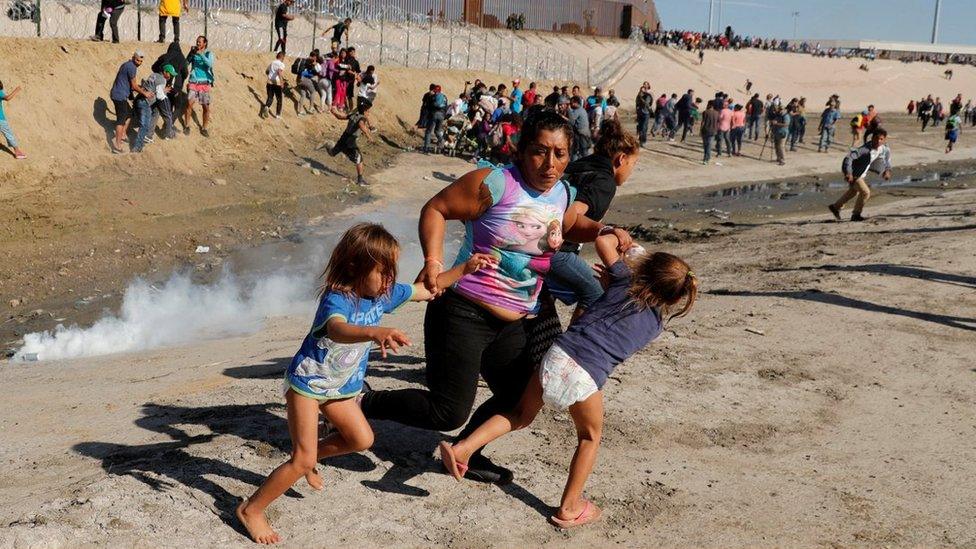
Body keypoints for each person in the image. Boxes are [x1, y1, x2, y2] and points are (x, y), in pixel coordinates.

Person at [359, 111, 632, 486]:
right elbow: (436, 209)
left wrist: (604, 228)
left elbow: (567, 226)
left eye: (560, 153)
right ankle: (364, 402)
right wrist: (433, 262)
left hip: (516, 318)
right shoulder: (496, 183)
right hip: (462, 310)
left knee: (521, 398)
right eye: (539, 151)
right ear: (521, 150)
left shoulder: (562, 192)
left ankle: (468, 451)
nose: (550, 163)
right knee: (446, 411)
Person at [236, 222, 496, 545]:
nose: (389, 281)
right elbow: (336, 330)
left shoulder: (383, 295)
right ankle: (252, 508)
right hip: (308, 385)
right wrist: (375, 333)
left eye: (392, 273)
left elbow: (427, 289)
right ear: (354, 267)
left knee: (361, 439)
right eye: (382, 272)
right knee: (301, 458)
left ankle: (311, 458)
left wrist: (465, 269)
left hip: (340, 388)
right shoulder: (339, 299)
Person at [440, 237, 697, 528]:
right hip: (586, 375)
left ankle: (463, 449)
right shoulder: (655, 325)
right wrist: (618, 280)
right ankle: (570, 506)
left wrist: (628, 246)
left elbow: (603, 241)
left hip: (558, 354)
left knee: (520, 415)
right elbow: (619, 323)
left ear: (645, 268)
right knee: (589, 437)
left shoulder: (623, 280)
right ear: (676, 299)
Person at [547, 118, 640, 319]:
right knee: (596, 292)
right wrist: (605, 229)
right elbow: (572, 214)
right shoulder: (605, 182)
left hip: (534, 238)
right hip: (556, 249)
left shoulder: (581, 165)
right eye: (633, 165)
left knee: (544, 303)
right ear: (621, 159)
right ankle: (574, 347)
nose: (630, 171)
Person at [828, 129, 892, 222]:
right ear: (872, 138)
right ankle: (856, 215)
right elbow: (848, 158)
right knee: (865, 192)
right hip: (854, 173)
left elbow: (887, 160)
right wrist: (848, 173)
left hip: (861, 174)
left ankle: (835, 207)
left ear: (884, 140)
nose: (878, 141)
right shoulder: (865, 149)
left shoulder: (884, 149)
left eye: (881, 139)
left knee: (853, 192)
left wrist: (887, 170)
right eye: (877, 138)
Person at [110, 51, 152, 153]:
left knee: (129, 114)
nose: (139, 62)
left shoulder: (127, 65)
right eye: (138, 60)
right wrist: (145, 93)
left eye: (141, 61)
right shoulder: (132, 67)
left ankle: (123, 134)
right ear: (133, 57)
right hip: (119, 96)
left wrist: (133, 94)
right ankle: (117, 146)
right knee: (120, 120)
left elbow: (128, 83)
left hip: (119, 94)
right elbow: (133, 86)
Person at [327, 99, 373, 186]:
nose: (369, 112)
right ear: (365, 110)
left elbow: (340, 117)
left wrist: (334, 112)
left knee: (332, 153)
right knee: (359, 158)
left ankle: (327, 145)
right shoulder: (362, 118)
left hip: (343, 138)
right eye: (368, 110)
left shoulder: (353, 114)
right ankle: (360, 180)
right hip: (349, 142)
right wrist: (368, 136)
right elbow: (361, 125)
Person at [132, 65, 174, 152]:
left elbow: (153, 87)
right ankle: (137, 147)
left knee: (155, 111)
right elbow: (159, 96)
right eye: (170, 74)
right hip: (145, 102)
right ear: (165, 72)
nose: (170, 76)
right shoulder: (162, 80)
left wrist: (163, 91)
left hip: (139, 98)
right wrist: (165, 98)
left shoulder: (154, 74)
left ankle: (145, 136)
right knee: (144, 125)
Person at [150, 42, 187, 138]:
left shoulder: (165, 56)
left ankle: (164, 127)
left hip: (164, 84)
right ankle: (167, 127)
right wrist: (181, 79)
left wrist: (160, 73)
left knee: (167, 106)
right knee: (178, 107)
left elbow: (153, 67)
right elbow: (185, 73)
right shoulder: (182, 59)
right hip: (177, 86)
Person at [184, 35, 214, 137]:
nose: (197, 43)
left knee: (206, 107)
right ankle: (187, 126)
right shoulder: (193, 52)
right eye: (197, 41)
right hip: (193, 82)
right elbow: (185, 63)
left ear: (204, 43)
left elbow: (209, 64)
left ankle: (204, 128)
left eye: (199, 42)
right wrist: (190, 54)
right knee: (189, 104)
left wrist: (201, 54)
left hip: (204, 84)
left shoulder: (209, 53)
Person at [0, 79, 26, 159]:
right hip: (0, 119)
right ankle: (17, 152)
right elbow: (7, 98)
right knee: (9, 134)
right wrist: (16, 90)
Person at [423, 85, 447, 154]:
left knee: (428, 131)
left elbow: (428, 106)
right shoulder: (444, 97)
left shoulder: (433, 96)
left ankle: (426, 149)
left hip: (434, 115)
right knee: (437, 131)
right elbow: (446, 107)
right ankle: (442, 140)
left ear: (435, 90)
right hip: (442, 116)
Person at [261, 51, 286, 119]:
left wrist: (271, 75)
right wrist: (282, 82)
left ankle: (267, 107)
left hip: (269, 82)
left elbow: (266, 71)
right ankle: (277, 115)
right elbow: (279, 72)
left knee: (270, 97)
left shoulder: (272, 62)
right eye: (284, 57)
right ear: (282, 57)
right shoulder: (281, 64)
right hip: (277, 83)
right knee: (279, 99)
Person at [568, 96, 592, 161]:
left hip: (581, 134)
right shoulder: (582, 110)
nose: (570, 104)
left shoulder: (577, 110)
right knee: (580, 151)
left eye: (571, 103)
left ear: (576, 103)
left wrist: (568, 110)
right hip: (585, 133)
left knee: (580, 151)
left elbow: (571, 121)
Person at [699, 101, 718, 165]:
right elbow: (718, 122)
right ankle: (707, 157)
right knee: (709, 145)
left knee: (705, 145)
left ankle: (706, 158)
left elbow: (703, 122)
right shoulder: (716, 113)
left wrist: (700, 130)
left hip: (705, 130)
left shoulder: (705, 112)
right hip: (713, 131)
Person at [635, 82, 652, 146]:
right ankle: (641, 140)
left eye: (646, 84)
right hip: (640, 112)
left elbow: (647, 103)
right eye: (644, 84)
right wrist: (637, 111)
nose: (644, 85)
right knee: (640, 127)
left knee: (644, 127)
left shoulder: (649, 94)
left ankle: (643, 141)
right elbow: (636, 103)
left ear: (648, 86)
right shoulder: (639, 94)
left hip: (646, 112)